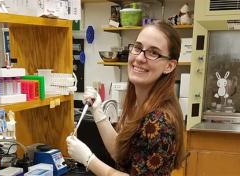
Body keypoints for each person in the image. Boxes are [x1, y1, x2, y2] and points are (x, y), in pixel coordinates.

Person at [66, 20, 185, 176]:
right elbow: (122, 155)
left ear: (169, 66)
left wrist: (88, 159)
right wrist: (98, 112)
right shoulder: (142, 105)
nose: (140, 58)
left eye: (153, 53)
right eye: (138, 47)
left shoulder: (158, 121)